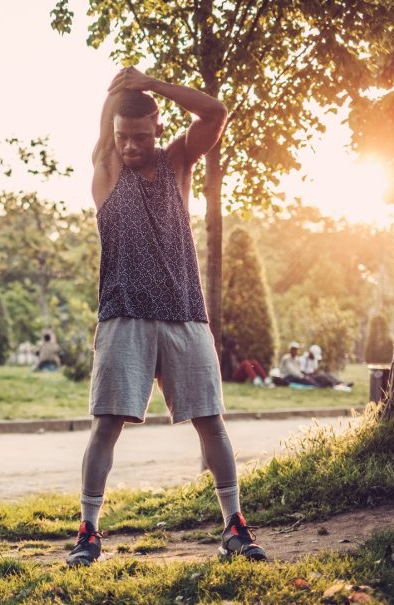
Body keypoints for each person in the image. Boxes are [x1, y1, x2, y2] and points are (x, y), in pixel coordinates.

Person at [66, 66, 266, 567]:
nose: (130, 146)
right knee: (106, 425)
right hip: (125, 315)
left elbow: (215, 113)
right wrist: (117, 93)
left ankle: (234, 528)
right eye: (122, 137)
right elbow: (111, 132)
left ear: (157, 130)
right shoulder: (108, 169)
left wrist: (152, 85)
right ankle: (88, 533)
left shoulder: (177, 161)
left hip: (184, 313)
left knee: (211, 423)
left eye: (139, 136)